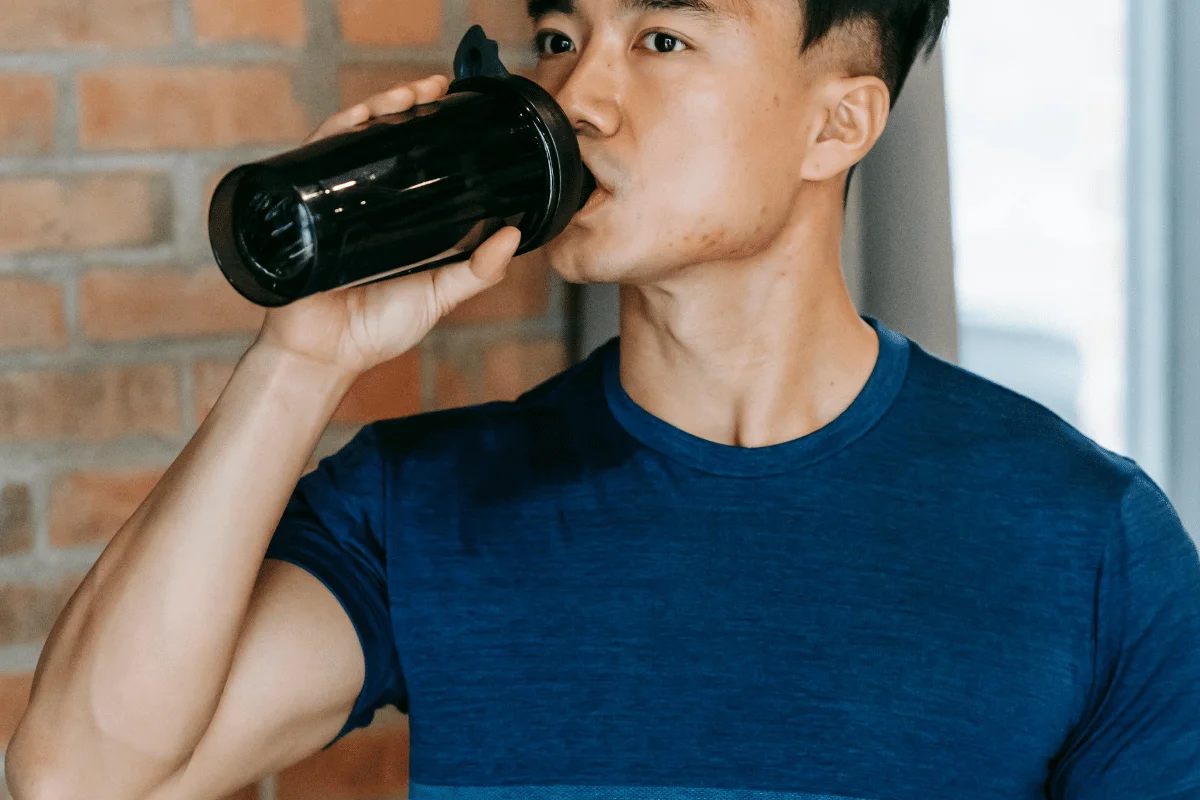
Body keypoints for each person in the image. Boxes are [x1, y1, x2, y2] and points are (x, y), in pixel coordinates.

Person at [9, 0, 1200, 798]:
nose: (580, 96)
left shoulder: (1088, 540)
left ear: (838, 122)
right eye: (561, 33)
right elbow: (74, 777)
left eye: (665, 40)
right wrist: (302, 357)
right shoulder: (420, 498)